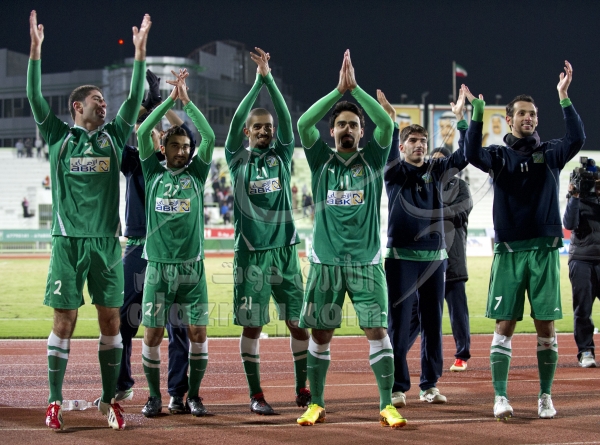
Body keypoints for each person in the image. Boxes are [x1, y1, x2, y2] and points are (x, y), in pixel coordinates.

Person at [27, 10, 151, 431]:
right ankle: (54, 401)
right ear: (78, 106)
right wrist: (36, 52)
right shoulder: (58, 136)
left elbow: (133, 99)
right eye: (98, 99)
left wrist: (139, 54)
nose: (105, 104)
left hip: (106, 245)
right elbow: (34, 97)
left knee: (111, 321)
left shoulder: (113, 137)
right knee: (64, 321)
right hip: (67, 242)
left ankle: (110, 399)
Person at [462, 60, 585, 420]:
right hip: (509, 252)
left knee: (546, 326)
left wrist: (564, 97)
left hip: (544, 251)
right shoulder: (498, 156)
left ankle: (545, 396)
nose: (529, 118)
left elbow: (577, 138)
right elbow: (470, 154)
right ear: (509, 119)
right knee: (505, 326)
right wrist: (477, 114)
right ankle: (500, 396)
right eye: (522, 113)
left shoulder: (551, 153)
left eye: (533, 114)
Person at [295, 50, 405, 429]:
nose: (346, 129)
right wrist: (337, 91)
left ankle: (387, 404)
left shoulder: (372, 160)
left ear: (361, 132)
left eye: (353, 125)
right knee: (321, 333)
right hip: (325, 263)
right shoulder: (320, 161)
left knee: (377, 331)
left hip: (366, 263)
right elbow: (303, 123)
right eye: (340, 124)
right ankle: (317, 403)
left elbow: (387, 125)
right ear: (332, 131)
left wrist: (355, 90)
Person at [91, 69, 193, 414]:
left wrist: (163, 105)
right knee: (123, 320)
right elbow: (116, 136)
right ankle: (122, 384)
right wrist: (141, 107)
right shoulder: (136, 162)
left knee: (178, 326)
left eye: (158, 130)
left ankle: (177, 393)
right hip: (137, 247)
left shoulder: (182, 166)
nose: (151, 132)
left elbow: (190, 134)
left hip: (173, 253)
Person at [225, 48, 310, 415]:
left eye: (268, 127)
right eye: (257, 127)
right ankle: (256, 394)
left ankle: (303, 388)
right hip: (250, 254)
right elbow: (235, 121)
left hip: (285, 251)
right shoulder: (236, 158)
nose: (264, 131)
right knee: (253, 327)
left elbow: (288, 120)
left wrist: (269, 80)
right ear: (247, 131)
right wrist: (256, 85)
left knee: (299, 325)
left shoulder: (282, 155)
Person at [379, 89, 468, 409]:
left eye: (423, 141)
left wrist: (461, 120)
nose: (420, 145)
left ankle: (429, 384)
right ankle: (397, 386)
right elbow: (386, 153)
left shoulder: (437, 170)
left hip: (434, 259)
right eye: (413, 141)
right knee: (399, 325)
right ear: (402, 147)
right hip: (401, 258)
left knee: (433, 324)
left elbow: (464, 155)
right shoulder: (394, 172)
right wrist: (391, 123)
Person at [137, 69, 215, 418]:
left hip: (192, 270)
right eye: (176, 146)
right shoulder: (153, 172)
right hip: (157, 268)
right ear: (163, 148)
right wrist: (167, 101)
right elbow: (142, 132)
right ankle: (154, 396)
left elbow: (209, 137)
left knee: (198, 333)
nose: (182, 151)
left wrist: (187, 103)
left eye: (186, 147)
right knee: (153, 335)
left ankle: (193, 396)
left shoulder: (197, 175)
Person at [430, 146, 473, 372]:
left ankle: (462, 355)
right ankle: (425, 357)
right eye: (433, 160)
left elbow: (461, 212)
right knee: (425, 314)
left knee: (458, 312)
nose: (437, 164)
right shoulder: (425, 185)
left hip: (453, 257)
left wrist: (432, 211)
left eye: (441, 160)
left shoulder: (461, 186)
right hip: (428, 260)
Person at [563, 179, 600, 368]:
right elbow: (569, 224)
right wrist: (574, 197)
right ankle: (585, 351)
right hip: (581, 259)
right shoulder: (575, 199)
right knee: (583, 308)